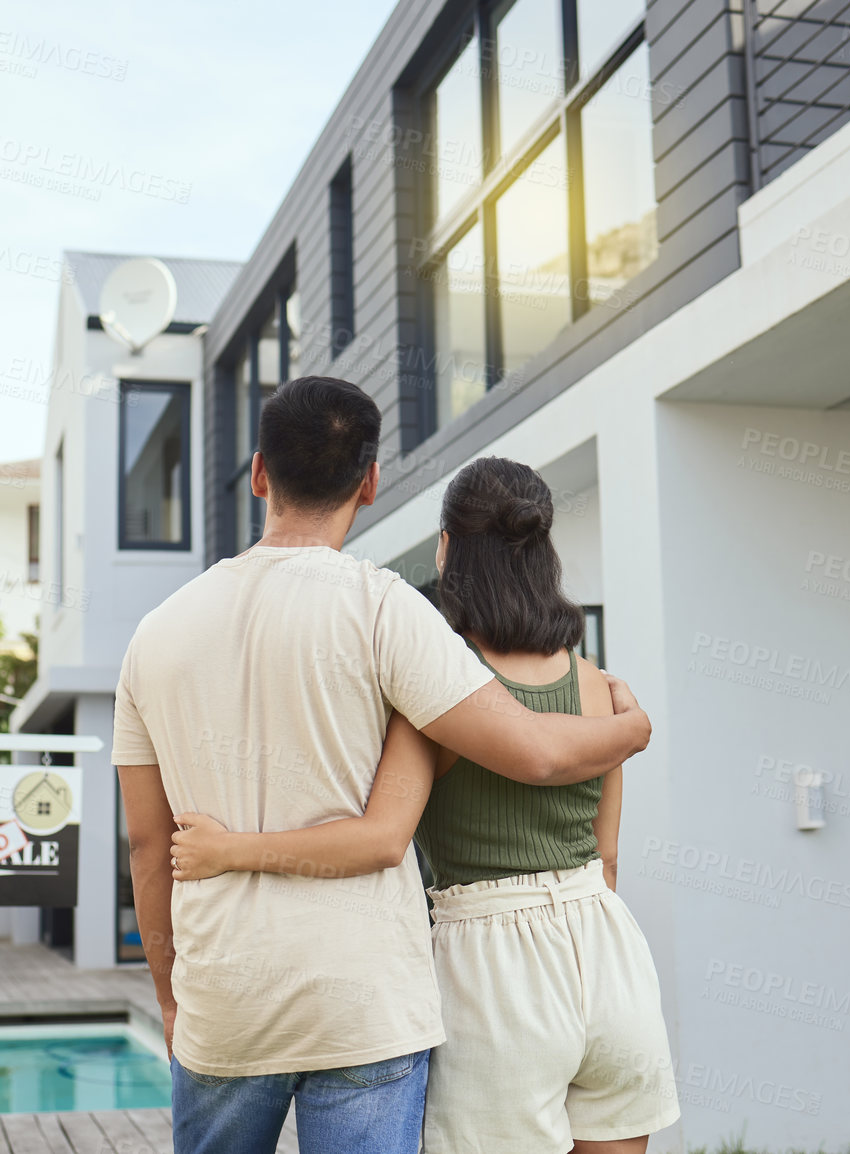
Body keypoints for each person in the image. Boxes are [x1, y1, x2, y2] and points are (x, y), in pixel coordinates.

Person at [112, 378, 653, 1154]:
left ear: (259, 473)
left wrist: (170, 996)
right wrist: (631, 728)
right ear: (369, 482)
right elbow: (534, 751)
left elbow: (145, 846)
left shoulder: (154, 635)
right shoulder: (388, 610)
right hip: (365, 1005)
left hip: (224, 996)